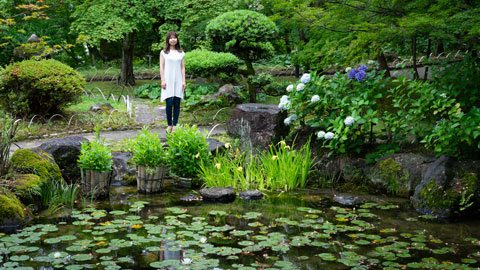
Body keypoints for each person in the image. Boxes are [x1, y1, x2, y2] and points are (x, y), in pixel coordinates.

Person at [160, 31, 186, 133]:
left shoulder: (181, 53)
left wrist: (183, 81)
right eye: (171, 38)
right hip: (167, 80)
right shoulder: (164, 52)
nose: (173, 39)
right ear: (168, 39)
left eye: (175, 38)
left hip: (178, 80)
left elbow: (182, 67)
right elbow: (161, 67)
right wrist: (163, 80)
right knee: (169, 102)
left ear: (177, 39)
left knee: (176, 103)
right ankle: (169, 125)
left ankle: (175, 125)